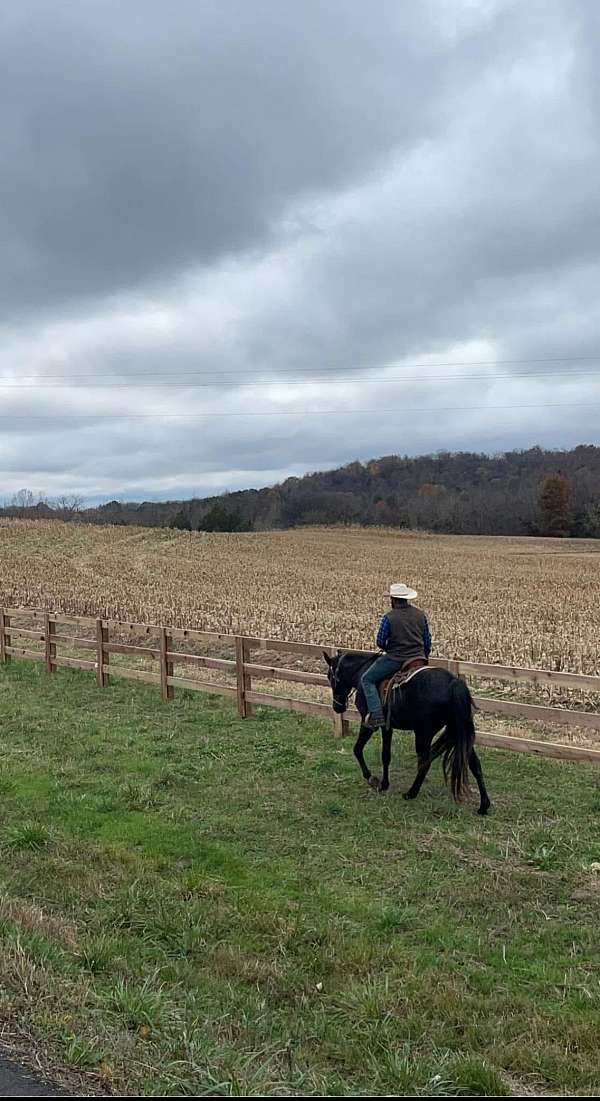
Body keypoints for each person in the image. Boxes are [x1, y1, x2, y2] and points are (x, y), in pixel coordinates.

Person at [361, 582, 431, 730]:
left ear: (392, 599)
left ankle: (377, 716)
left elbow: (380, 641)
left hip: (396, 659)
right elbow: (427, 641)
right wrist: (423, 655)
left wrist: (389, 647)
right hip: (418, 659)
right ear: (406, 598)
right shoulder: (420, 615)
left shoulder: (389, 617)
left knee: (367, 679)